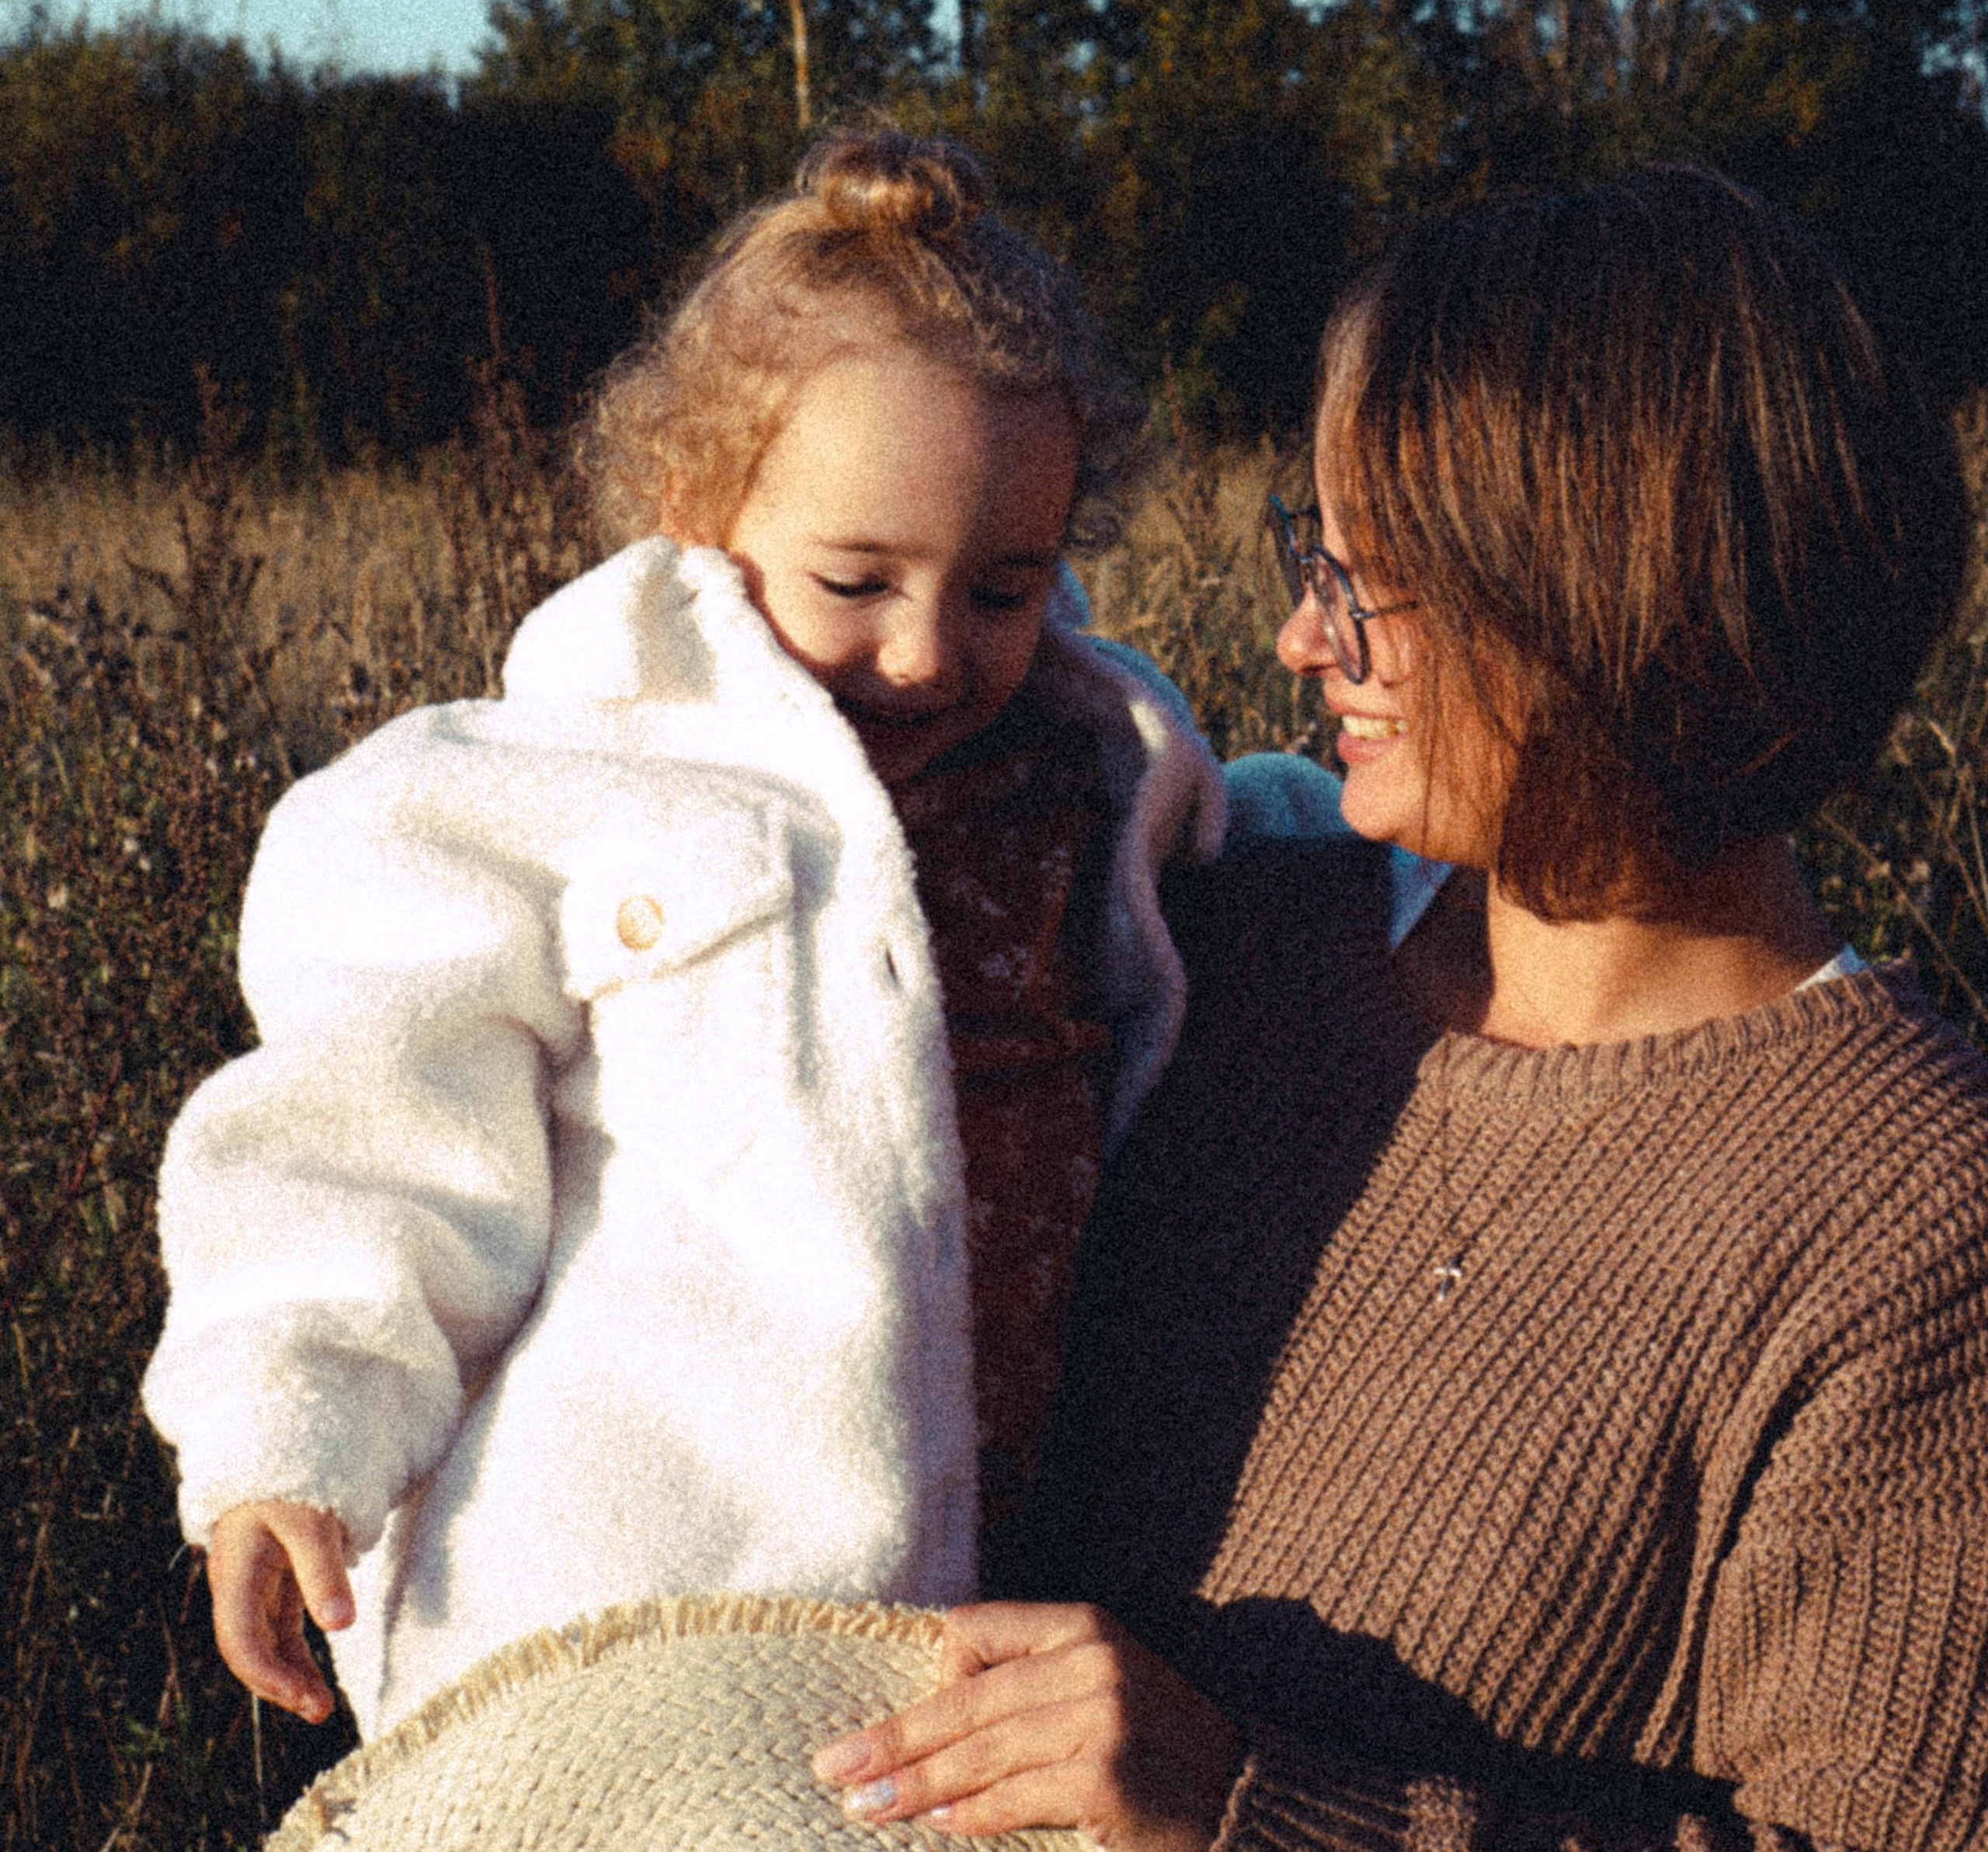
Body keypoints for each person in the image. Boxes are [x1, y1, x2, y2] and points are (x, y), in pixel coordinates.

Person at [808, 167, 1988, 1852]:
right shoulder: (1217, 949)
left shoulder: (1911, 1217)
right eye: (1314, 560)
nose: (1299, 642)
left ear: (1606, 606)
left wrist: (1247, 1819)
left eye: (1370, 586)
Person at [142, 130, 1242, 1742]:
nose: (929, 651)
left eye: (1005, 587)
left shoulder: (1101, 772)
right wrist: (289, 1442)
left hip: (1008, 1606)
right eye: (855, 578)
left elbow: (1279, 882)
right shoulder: (547, 794)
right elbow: (365, 1144)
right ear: (699, 509)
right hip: (624, 1607)